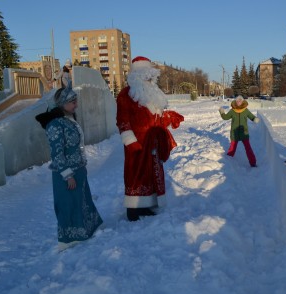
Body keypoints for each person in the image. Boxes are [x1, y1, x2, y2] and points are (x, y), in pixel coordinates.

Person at [35, 81, 103, 251]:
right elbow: (57, 153)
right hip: (66, 174)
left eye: (76, 101)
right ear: (63, 103)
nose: (76, 104)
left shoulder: (69, 120)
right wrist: (67, 175)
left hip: (78, 169)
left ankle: (85, 230)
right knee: (68, 204)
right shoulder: (55, 124)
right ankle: (69, 239)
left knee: (81, 201)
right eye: (73, 102)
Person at [116, 56, 184, 222]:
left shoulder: (153, 94)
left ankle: (146, 205)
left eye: (151, 76)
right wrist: (130, 142)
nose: (149, 79)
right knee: (136, 174)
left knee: (150, 174)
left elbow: (156, 119)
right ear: (136, 76)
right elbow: (122, 120)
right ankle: (133, 209)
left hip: (152, 142)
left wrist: (169, 117)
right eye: (146, 75)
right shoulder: (126, 95)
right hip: (137, 142)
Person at [218, 95, 259, 167]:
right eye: (237, 101)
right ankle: (228, 163)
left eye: (240, 101)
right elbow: (226, 117)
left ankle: (253, 163)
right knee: (232, 149)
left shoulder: (245, 110)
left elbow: (251, 116)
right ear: (235, 102)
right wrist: (222, 112)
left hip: (244, 133)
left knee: (248, 148)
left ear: (242, 101)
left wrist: (255, 119)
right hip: (234, 133)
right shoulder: (232, 111)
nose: (239, 102)